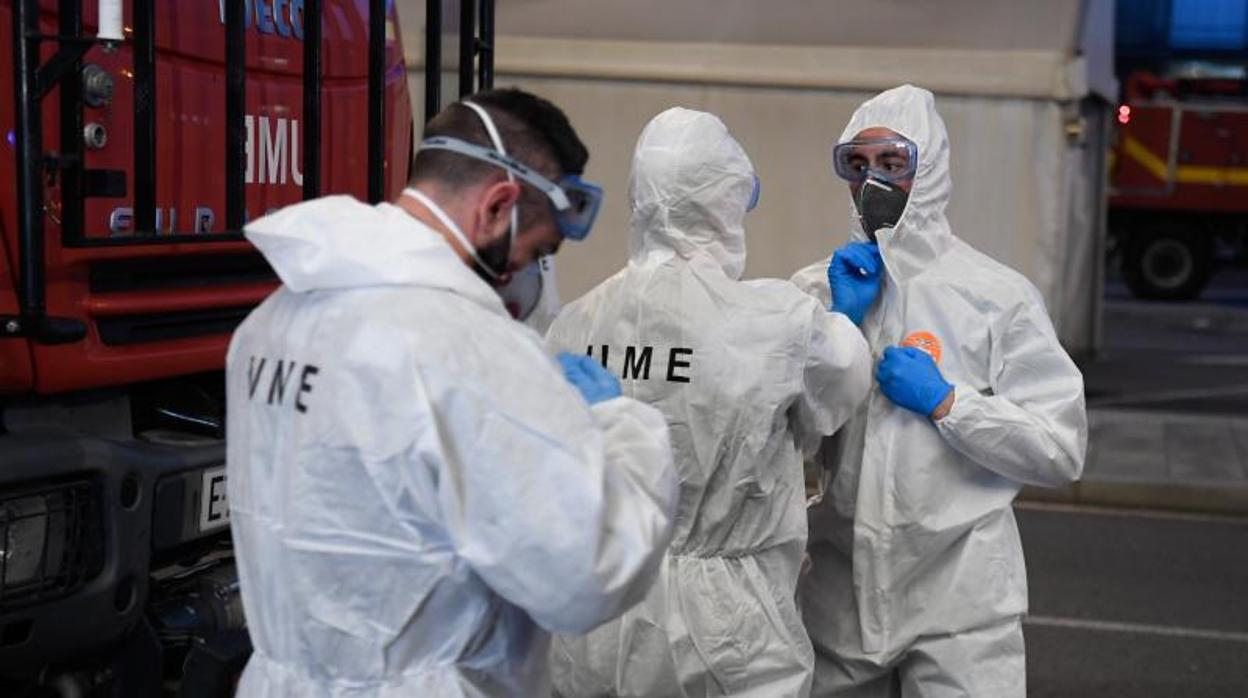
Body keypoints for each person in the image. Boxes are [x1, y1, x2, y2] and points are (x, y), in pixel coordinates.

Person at [224, 88, 680, 697]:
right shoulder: (468, 348)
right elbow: (587, 575)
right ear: (498, 207)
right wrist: (622, 427)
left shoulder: (271, 322)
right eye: (537, 253)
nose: (527, 284)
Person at [548, 107, 873, 697]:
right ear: (727, 199)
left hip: (599, 603)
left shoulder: (577, 321)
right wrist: (845, 317)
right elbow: (840, 389)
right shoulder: (774, 319)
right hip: (729, 628)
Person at [792, 85, 1088, 697]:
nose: (873, 180)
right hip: (838, 600)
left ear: (928, 169)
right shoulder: (819, 291)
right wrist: (838, 332)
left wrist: (951, 404)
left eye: (893, 163)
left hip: (961, 602)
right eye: (858, 164)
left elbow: (1060, 450)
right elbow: (786, 432)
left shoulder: (994, 297)